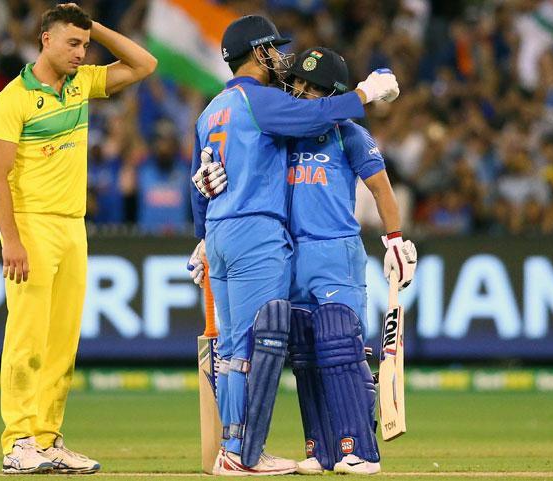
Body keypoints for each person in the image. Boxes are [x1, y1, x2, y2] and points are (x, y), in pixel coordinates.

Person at [188, 15, 399, 476]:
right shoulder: (261, 100)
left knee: (238, 347)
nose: (282, 61)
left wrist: (203, 236)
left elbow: (200, 178)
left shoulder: (211, 109)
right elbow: (316, 115)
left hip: (223, 231)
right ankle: (243, 453)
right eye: (274, 49)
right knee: (258, 343)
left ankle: (240, 447)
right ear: (258, 52)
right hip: (256, 234)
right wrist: (363, 94)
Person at [0, 3, 157, 474]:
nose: (82, 53)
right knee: (27, 340)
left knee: (62, 342)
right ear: (45, 39)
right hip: (32, 225)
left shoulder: (81, 85)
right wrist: (12, 240)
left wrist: (93, 25)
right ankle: (18, 441)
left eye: (85, 44)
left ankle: (47, 438)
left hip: (73, 227)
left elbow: (145, 64)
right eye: (72, 42)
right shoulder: (11, 101)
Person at [283, 47, 416, 475]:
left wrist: (394, 239)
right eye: (298, 83)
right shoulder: (282, 131)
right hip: (289, 253)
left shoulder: (348, 133)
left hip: (336, 250)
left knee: (339, 346)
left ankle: (359, 450)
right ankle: (320, 450)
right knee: (304, 355)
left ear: (334, 93)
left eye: (313, 87)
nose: (301, 92)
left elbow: (381, 189)